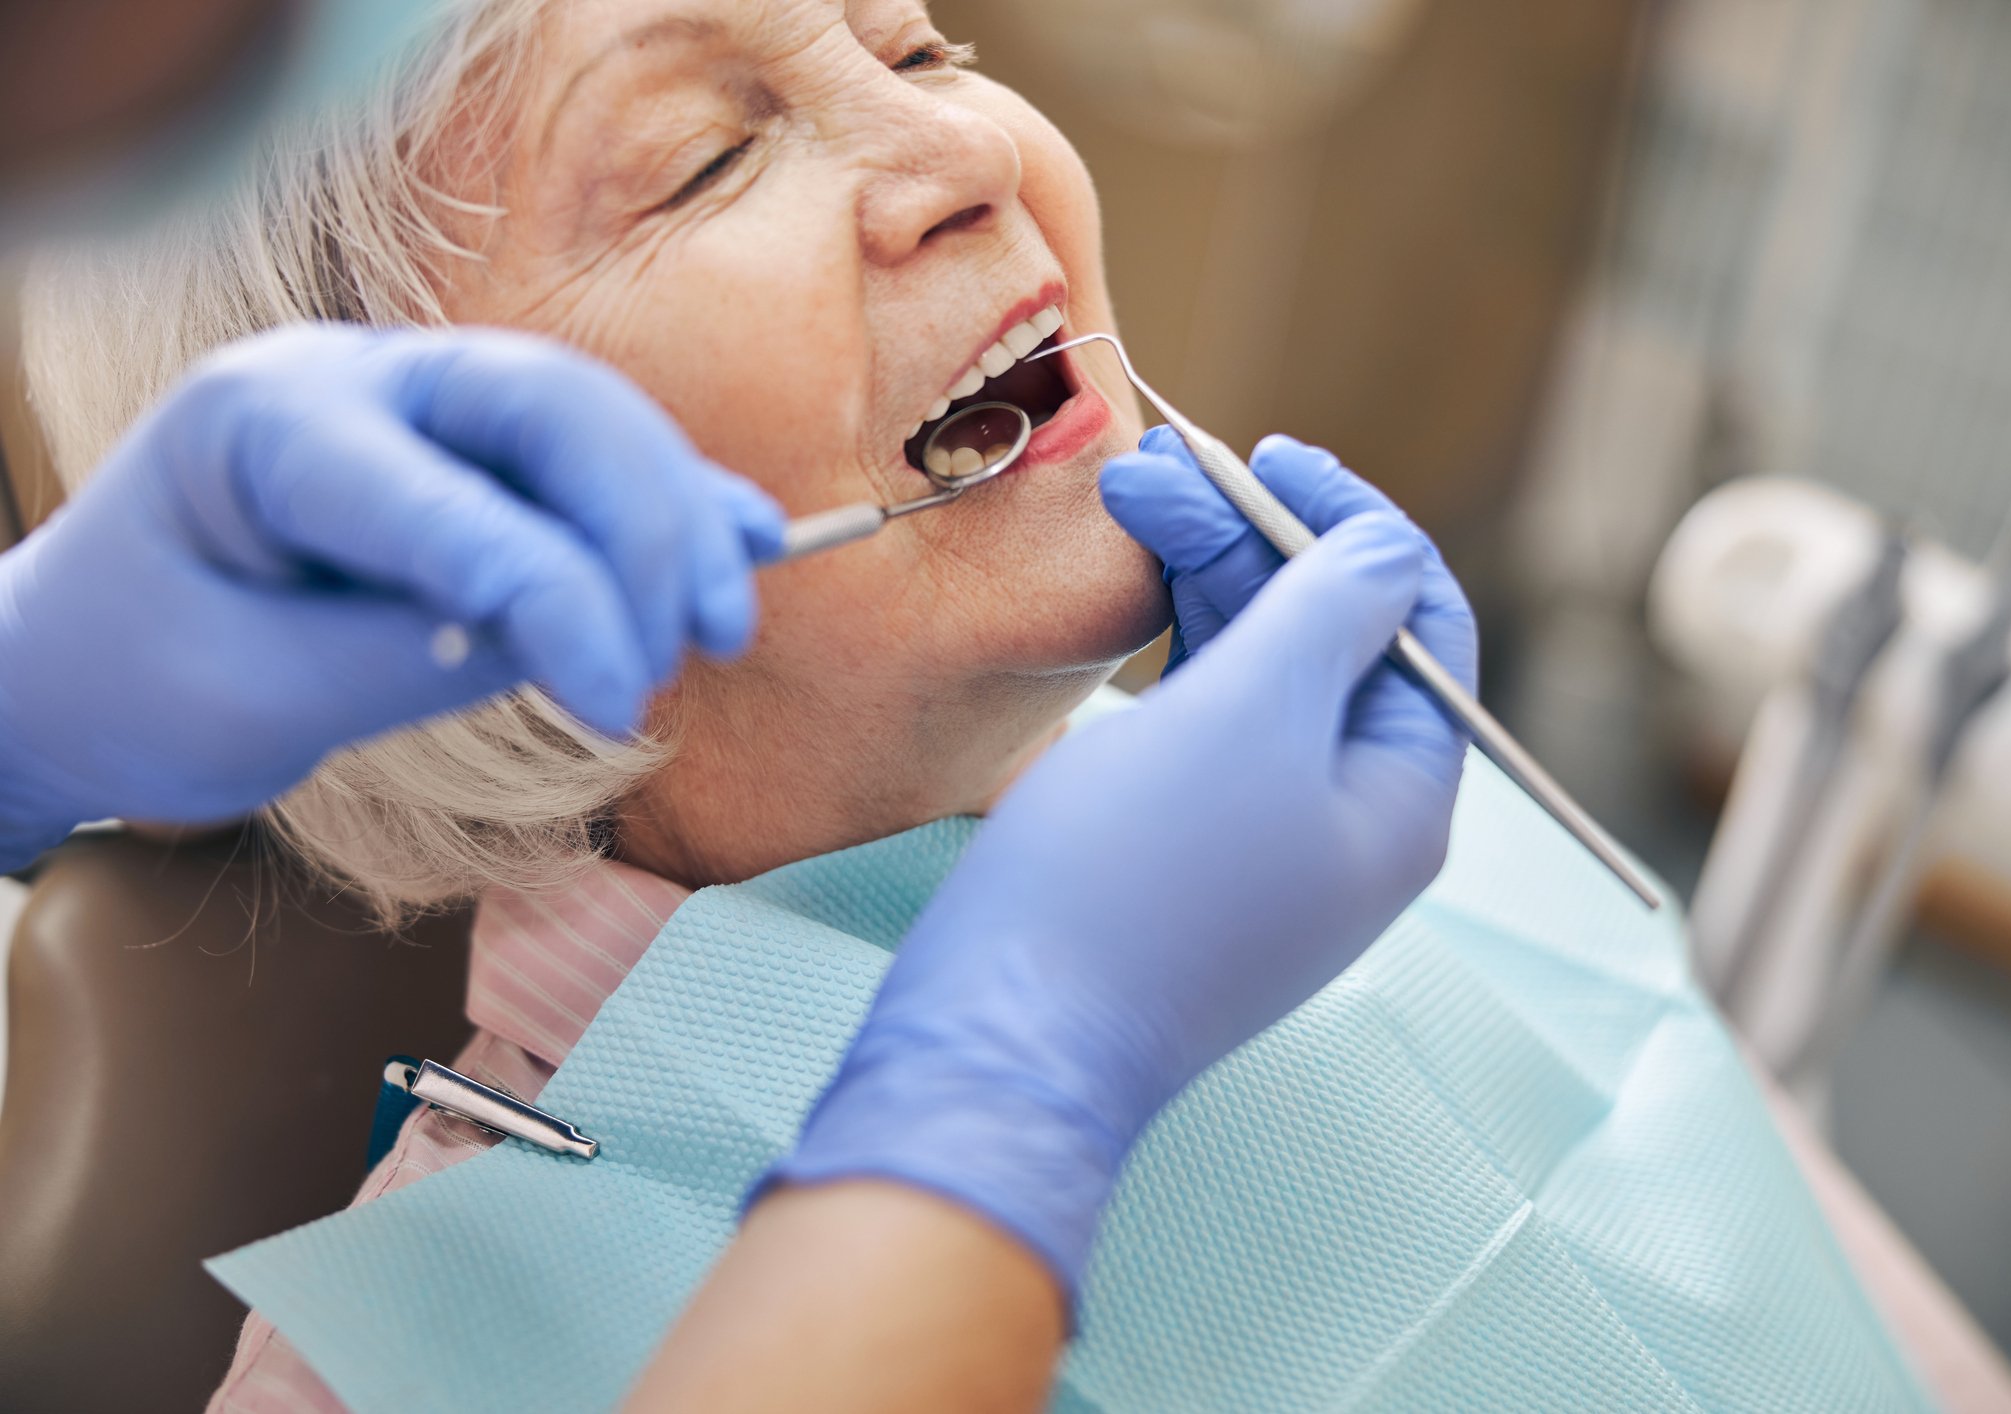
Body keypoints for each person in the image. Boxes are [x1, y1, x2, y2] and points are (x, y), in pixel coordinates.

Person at [4, 0, 1481, 1408]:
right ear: (421, 499)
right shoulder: (400, 1364)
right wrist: (1016, 1078)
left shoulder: (1365, 829)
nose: (967, 154)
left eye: (917, 44)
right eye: (704, 159)